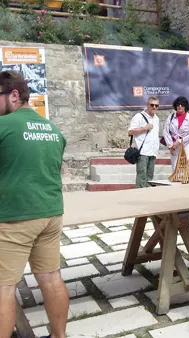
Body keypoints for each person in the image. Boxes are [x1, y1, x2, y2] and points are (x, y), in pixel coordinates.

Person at [0, 71, 69, 338]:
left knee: (4, 288)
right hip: (51, 213)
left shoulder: (3, 126)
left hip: (16, 216)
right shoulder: (53, 129)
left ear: (14, 95)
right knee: (51, 278)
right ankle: (58, 336)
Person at [128, 97, 161, 188]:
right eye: (152, 105)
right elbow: (130, 132)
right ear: (147, 105)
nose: (154, 107)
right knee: (142, 176)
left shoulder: (156, 118)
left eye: (156, 105)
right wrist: (144, 128)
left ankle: (148, 197)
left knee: (150, 177)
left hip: (153, 151)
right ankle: (140, 195)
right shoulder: (139, 116)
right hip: (143, 152)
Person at [163, 96, 189, 172]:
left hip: (186, 144)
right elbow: (166, 131)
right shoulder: (171, 117)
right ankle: (175, 180)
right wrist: (171, 145)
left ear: (185, 106)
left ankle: (186, 181)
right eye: (178, 105)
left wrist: (180, 141)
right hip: (173, 144)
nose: (180, 106)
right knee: (175, 165)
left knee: (187, 163)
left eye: (182, 105)